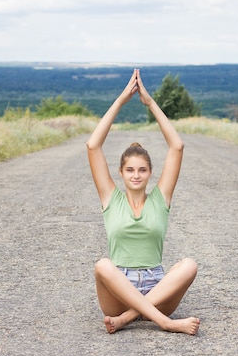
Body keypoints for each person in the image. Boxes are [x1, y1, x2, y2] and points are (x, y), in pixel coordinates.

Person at [86, 69, 200, 335]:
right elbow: (93, 146)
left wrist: (150, 102)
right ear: (121, 173)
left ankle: (128, 318)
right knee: (103, 265)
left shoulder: (160, 199)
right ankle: (165, 323)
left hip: (157, 289)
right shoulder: (110, 199)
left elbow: (177, 146)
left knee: (189, 265)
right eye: (130, 170)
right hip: (118, 291)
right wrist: (121, 101)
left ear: (150, 173)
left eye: (142, 170)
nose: (136, 175)